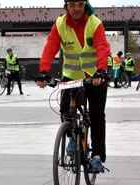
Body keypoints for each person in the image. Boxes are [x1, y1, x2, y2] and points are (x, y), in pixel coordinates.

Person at [36, 0, 110, 173]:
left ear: (84, 5)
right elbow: (50, 47)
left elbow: (102, 48)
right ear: (66, 6)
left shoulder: (94, 23)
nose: (76, 8)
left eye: (80, 4)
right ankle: (72, 137)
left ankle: (98, 157)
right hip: (71, 77)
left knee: (97, 116)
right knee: (65, 110)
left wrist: (101, 70)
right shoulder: (60, 24)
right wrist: (44, 72)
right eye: (72, 4)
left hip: (95, 77)